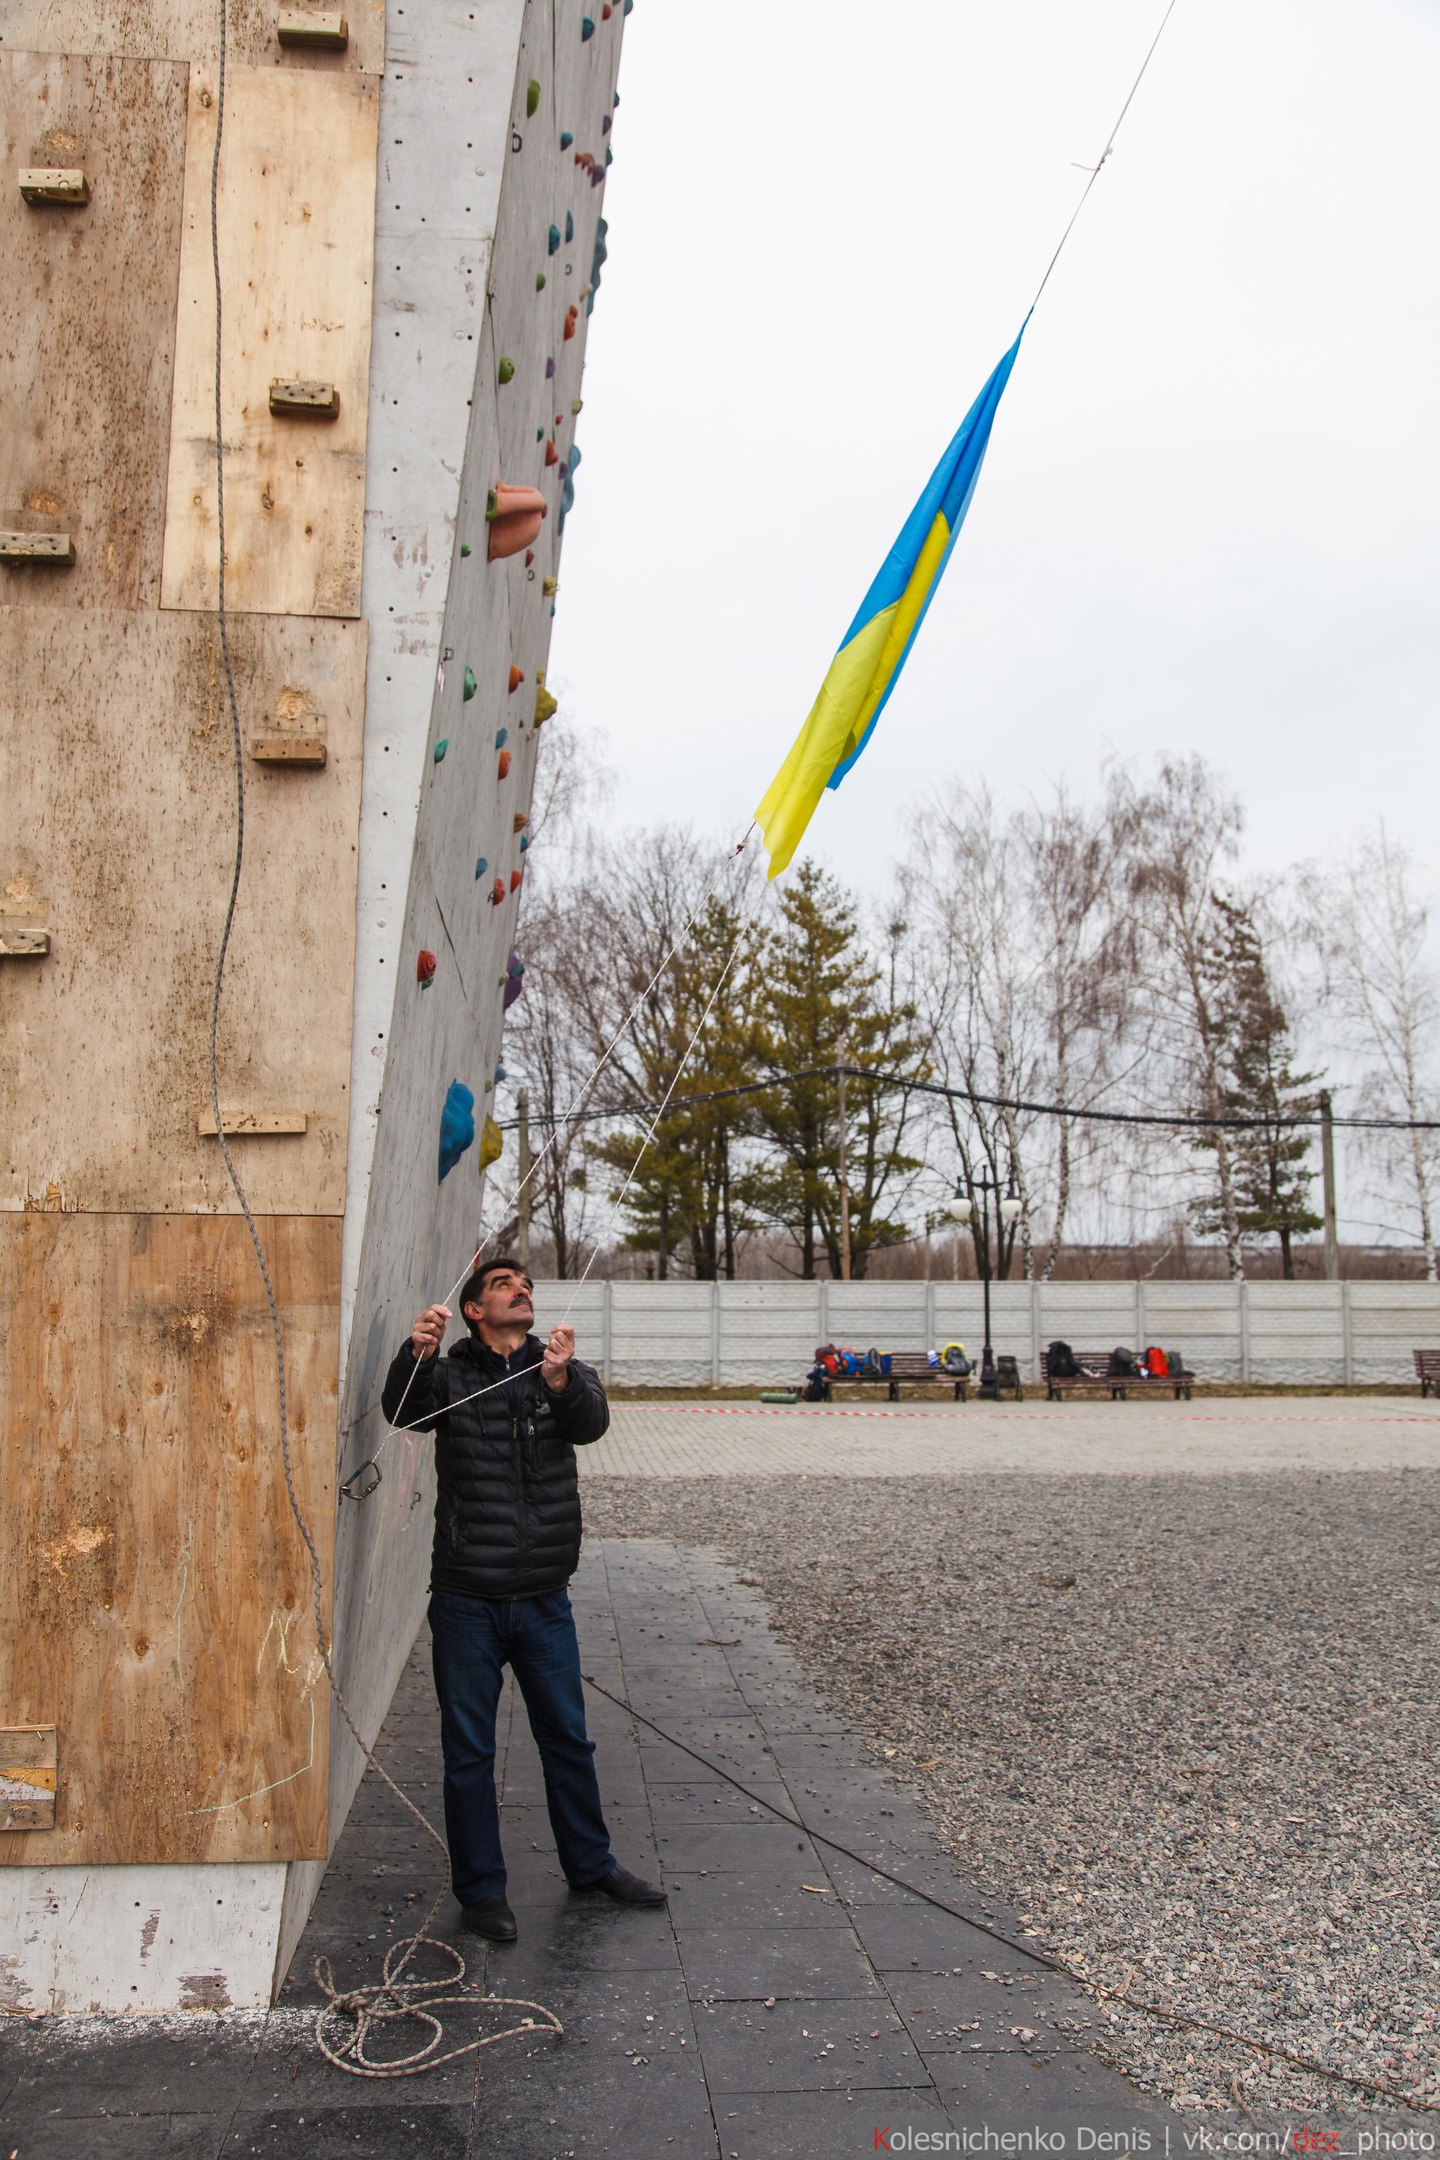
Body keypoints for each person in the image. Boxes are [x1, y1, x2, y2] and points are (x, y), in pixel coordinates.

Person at [382, 1255, 666, 1941]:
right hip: (466, 1600)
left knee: (568, 1738)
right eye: (506, 1285)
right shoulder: (449, 1374)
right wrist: (411, 1351)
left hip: (543, 1597)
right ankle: (482, 1892)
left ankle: (591, 1864)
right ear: (475, 1310)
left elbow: (591, 1424)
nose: (522, 1291)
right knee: (469, 1752)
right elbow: (401, 1411)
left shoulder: (560, 1370)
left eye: (527, 1286)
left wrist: (563, 1378)